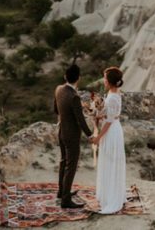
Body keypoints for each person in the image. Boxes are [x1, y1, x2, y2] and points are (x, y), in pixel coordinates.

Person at [54, 64, 93, 209]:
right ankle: (65, 200)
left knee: (63, 162)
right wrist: (90, 135)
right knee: (71, 166)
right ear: (78, 79)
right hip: (71, 135)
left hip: (61, 131)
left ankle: (61, 191)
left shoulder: (58, 89)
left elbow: (55, 109)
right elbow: (80, 120)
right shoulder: (74, 97)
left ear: (65, 77)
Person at [91, 66, 126, 215]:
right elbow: (110, 115)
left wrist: (98, 137)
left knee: (110, 162)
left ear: (110, 81)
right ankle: (111, 194)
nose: (103, 81)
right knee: (111, 162)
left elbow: (109, 120)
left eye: (105, 78)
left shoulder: (112, 97)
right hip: (115, 129)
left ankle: (111, 198)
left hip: (111, 132)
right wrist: (98, 114)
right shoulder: (114, 93)